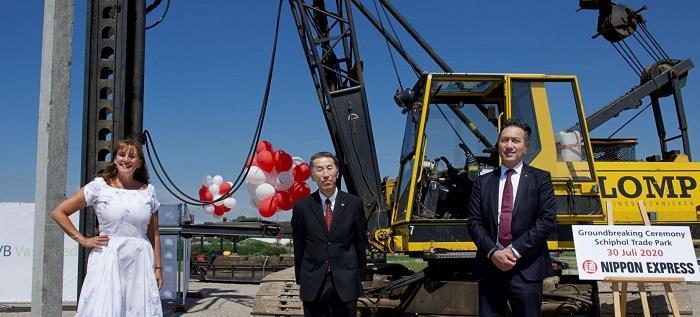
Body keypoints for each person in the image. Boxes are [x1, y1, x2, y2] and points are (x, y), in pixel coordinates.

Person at [51, 139, 163, 316]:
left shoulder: (148, 191)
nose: (126, 159)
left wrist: (158, 268)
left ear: (139, 162)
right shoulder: (98, 186)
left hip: (139, 260)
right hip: (108, 257)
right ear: (115, 159)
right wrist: (82, 239)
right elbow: (59, 212)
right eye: (121, 154)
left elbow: (154, 235)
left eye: (132, 156)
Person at [467, 118, 557, 317]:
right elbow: (474, 222)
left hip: (526, 270)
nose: (509, 145)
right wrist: (493, 252)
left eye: (515, 141)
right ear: (498, 145)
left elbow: (547, 220)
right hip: (490, 269)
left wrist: (514, 251)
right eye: (504, 140)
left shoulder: (541, 179)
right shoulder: (482, 182)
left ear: (526, 147)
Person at [291, 152, 367, 317]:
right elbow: (299, 245)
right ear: (312, 175)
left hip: (346, 278)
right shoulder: (302, 206)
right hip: (314, 279)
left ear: (337, 172)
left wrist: (360, 275)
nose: (325, 174)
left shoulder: (353, 204)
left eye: (329, 168)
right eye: (319, 169)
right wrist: (301, 279)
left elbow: (360, 242)